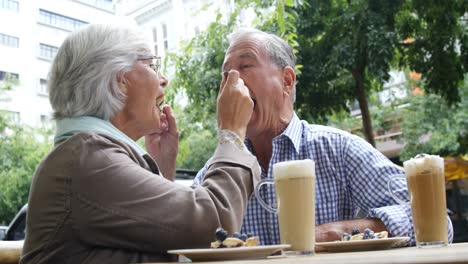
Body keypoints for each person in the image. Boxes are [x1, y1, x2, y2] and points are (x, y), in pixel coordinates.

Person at [21, 24, 260, 264]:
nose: (163, 79)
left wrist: (159, 168)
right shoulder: (88, 160)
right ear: (120, 81)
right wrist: (232, 134)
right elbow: (214, 223)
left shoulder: (85, 155)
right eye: (153, 66)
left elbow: (154, 238)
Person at [194, 28, 453, 246]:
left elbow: (436, 219)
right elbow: (181, 234)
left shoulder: (337, 149)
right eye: (225, 75)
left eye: (245, 66)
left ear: (286, 80)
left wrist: (339, 232)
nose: (231, 83)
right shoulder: (217, 170)